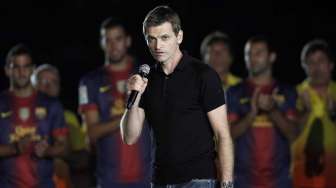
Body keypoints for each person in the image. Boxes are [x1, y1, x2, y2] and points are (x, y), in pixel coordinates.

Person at [120, 6, 234, 188]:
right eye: (152, 39)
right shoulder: (146, 80)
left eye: (165, 38)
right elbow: (130, 137)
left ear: (179, 37)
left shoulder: (203, 75)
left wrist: (227, 184)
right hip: (160, 180)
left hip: (198, 180)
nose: (158, 46)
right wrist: (134, 98)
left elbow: (223, 135)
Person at [78, 17, 152, 188]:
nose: (113, 45)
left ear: (127, 41)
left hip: (148, 177)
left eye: (118, 39)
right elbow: (92, 133)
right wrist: (129, 113)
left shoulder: (146, 74)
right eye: (107, 40)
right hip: (109, 179)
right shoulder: (89, 81)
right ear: (101, 43)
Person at [226, 36, 297, 188]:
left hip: (280, 181)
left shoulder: (287, 91)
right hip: (244, 181)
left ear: (272, 57)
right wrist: (252, 114)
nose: (252, 58)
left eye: (258, 53)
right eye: (248, 54)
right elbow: (228, 134)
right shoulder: (234, 92)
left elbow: (293, 134)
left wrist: (272, 110)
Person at [0, 44, 68, 187]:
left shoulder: (51, 104)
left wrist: (48, 150)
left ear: (32, 69)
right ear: (7, 70)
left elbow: (65, 148)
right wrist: (13, 149)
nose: (21, 72)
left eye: (25, 66)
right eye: (16, 67)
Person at [32, 64, 90, 188]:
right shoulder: (17, 116)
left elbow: (83, 159)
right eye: (43, 81)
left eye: (54, 82)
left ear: (59, 88)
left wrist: (62, 152)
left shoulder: (67, 118)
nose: (48, 86)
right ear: (32, 85)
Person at [292, 39, 336, 188]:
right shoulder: (294, 94)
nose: (316, 67)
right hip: (301, 177)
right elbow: (288, 134)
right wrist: (304, 111)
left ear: (331, 64)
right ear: (304, 66)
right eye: (310, 62)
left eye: (321, 61)